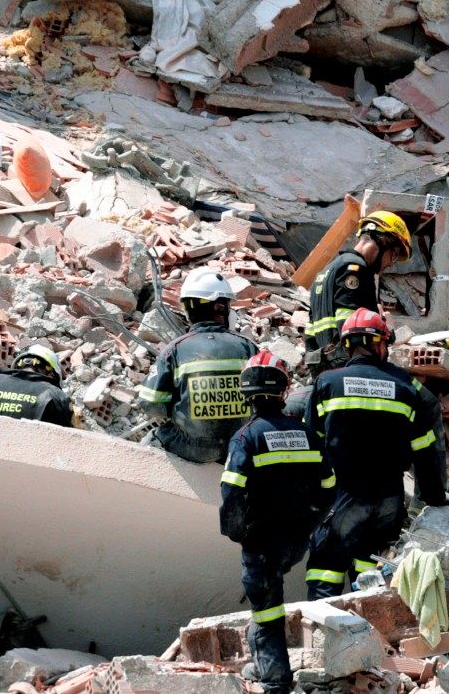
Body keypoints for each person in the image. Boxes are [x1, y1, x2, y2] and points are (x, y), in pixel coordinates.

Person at [303, 308, 447, 598]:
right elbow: (426, 453)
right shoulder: (406, 388)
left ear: (346, 345)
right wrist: (433, 501)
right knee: (371, 579)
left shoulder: (327, 384)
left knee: (325, 574)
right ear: (381, 343)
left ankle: (323, 635)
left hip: (341, 497)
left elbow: (310, 449)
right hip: (387, 500)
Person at [220, 352, 323, 694]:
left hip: (262, 542)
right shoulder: (307, 433)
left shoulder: (245, 437)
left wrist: (238, 533)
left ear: (246, 393)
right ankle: (264, 663)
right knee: (266, 604)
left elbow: (231, 492)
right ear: (283, 391)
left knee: (266, 613)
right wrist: (311, 519)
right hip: (296, 539)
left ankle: (276, 681)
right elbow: (329, 485)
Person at [138, 268, 258, 463]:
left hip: (192, 448)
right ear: (221, 308)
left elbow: (151, 404)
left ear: (188, 309)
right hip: (240, 447)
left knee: (152, 440)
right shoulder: (248, 347)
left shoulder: (174, 350)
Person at [306, 211, 412, 363]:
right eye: (394, 254)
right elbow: (355, 329)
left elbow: (310, 330)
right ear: (381, 241)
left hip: (323, 364)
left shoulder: (327, 271)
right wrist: (388, 330)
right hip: (347, 364)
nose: (391, 263)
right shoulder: (356, 269)